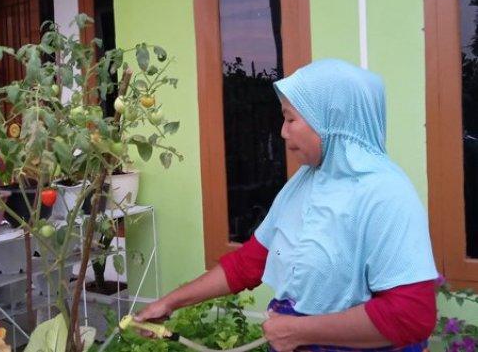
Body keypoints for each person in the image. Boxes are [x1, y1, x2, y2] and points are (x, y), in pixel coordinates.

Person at [136, 59, 438, 352]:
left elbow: (411, 315)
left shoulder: (385, 193)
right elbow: (250, 263)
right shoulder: (305, 182)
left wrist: (296, 331)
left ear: (329, 120)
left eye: (290, 118)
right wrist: (170, 301)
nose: (283, 131)